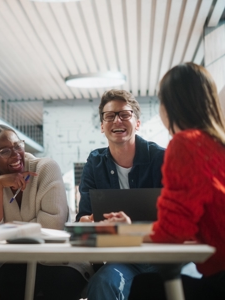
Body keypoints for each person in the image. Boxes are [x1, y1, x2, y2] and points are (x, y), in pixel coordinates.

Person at [107, 63, 225, 300]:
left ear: (170, 106)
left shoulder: (186, 145)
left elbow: (172, 233)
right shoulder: (217, 144)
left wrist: (121, 234)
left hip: (220, 281)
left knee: (145, 288)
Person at [0, 124, 92, 300]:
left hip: (57, 260)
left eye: (17, 146)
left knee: (59, 283)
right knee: (8, 284)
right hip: (12, 262)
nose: (15, 154)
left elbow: (52, 227)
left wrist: (7, 230)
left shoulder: (45, 168)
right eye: (4, 151)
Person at [76, 89, 166, 300]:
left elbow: (177, 218)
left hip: (162, 254)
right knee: (103, 283)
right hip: (124, 258)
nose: (117, 120)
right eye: (110, 116)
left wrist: (130, 226)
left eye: (124, 114)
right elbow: (83, 217)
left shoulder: (161, 158)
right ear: (102, 126)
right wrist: (90, 221)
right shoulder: (94, 162)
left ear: (137, 123)